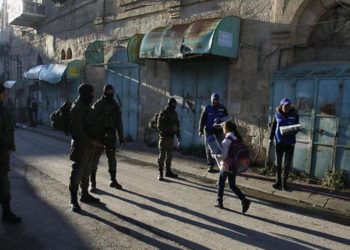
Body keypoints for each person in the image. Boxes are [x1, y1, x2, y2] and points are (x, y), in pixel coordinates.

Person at [69, 83, 104, 212]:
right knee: (77, 172)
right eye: (91, 94)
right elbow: (77, 131)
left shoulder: (86, 107)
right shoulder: (77, 108)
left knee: (87, 171)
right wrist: (91, 141)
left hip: (89, 146)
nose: (93, 96)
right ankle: (73, 199)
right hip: (81, 146)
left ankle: (85, 194)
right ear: (85, 94)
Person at [89, 84, 124, 192]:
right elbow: (91, 119)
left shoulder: (115, 105)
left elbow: (119, 122)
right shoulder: (99, 104)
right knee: (95, 159)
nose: (110, 93)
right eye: (108, 92)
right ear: (104, 92)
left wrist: (121, 137)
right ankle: (92, 183)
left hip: (111, 136)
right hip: (99, 136)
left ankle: (113, 180)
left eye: (111, 92)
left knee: (112, 159)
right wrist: (93, 136)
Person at [213, 120, 251, 213]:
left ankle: (219, 201)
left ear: (226, 129)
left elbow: (224, 156)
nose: (223, 130)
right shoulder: (237, 137)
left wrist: (215, 156)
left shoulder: (226, 140)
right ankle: (244, 200)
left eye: (223, 128)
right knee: (232, 185)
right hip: (235, 165)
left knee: (221, 183)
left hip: (227, 165)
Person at [0, 84, 22, 223]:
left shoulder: (3, 109)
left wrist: (10, 146)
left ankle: (6, 212)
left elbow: (9, 129)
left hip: (4, 152)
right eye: (3, 92)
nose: (6, 94)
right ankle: (6, 214)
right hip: (1, 152)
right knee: (3, 183)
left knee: (3, 182)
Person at [269, 98, 299, 191]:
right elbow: (273, 126)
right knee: (278, 163)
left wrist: (290, 131)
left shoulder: (294, 115)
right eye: (285, 106)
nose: (286, 107)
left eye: (288, 106)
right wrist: (270, 138)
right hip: (279, 142)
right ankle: (278, 182)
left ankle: (284, 183)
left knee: (287, 164)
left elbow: (297, 127)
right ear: (281, 106)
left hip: (290, 143)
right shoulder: (277, 114)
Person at [199, 93, 228, 172]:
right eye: (214, 100)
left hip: (218, 132)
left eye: (217, 100)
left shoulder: (222, 108)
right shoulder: (207, 108)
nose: (216, 101)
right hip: (209, 131)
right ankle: (210, 165)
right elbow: (202, 119)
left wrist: (226, 130)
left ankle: (221, 165)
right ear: (212, 100)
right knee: (208, 149)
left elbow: (226, 119)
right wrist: (200, 130)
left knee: (220, 149)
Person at [156, 97, 180, 181]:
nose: (174, 106)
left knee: (169, 156)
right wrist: (170, 128)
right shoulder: (163, 112)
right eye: (173, 104)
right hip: (164, 137)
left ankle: (168, 171)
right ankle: (160, 172)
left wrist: (178, 136)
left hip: (171, 138)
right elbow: (159, 126)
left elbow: (177, 125)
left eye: (175, 105)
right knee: (162, 155)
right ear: (169, 104)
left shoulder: (175, 114)